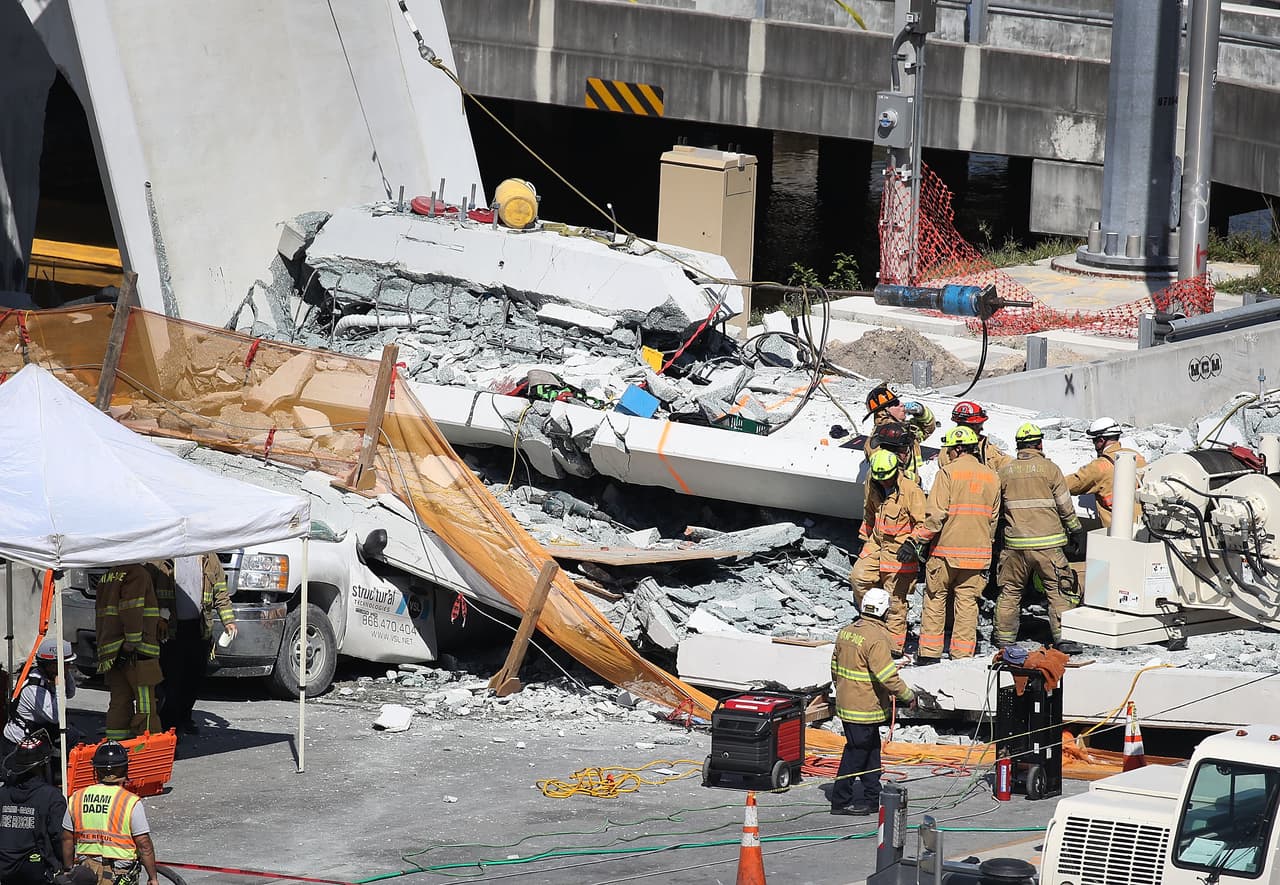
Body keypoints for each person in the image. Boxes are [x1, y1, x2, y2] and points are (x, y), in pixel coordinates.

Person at [908, 426, 1001, 664]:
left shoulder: (947, 474)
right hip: (978, 556)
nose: (947, 454)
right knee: (968, 605)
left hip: (945, 554)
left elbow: (935, 516)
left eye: (949, 449)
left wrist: (917, 540)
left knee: (935, 600)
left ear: (957, 448)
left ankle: (929, 654)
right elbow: (992, 521)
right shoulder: (992, 476)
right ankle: (961, 657)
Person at [994, 423, 1086, 655]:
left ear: (1018, 447)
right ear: (1040, 444)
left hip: (1015, 546)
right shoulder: (1050, 469)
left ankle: (1004, 640)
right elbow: (1065, 505)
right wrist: (1075, 531)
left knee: (1010, 592)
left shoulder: (1005, 471)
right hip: (1048, 546)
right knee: (1058, 590)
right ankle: (1064, 639)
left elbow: (996, 510)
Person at [829, 588, 916, 816]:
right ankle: (841, 800)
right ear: (883, 611)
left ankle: (871, 795)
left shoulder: (846, 632)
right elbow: (887, 675)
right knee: (856, 753)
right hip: (864, 708)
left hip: (847, 704)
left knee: (871, 751)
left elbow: (835, 668)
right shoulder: (876, 638)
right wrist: (908, 696)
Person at [851, 451, 927, 657]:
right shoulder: (874, 485)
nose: (883, 483)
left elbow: (923, 522)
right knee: (859, 578)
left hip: (899, 551)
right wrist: (862, 540)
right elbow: (869, 514)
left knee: (895, 599)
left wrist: (912, 543)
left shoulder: (910, 490)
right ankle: (873, 626)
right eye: (879, 479)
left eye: (887, 479)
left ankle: (893, 646)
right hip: (876, 544)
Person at [158, 555, 237, 735]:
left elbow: (220, 592)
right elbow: (155, 592)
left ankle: (185, 717)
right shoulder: (165, 556)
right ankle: (170, 724)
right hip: (172, 629)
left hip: (199, 627)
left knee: (194, 677)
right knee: (172, 679)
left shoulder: (209, 558)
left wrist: (228, 620)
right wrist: (160, 618)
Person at [63, 741, 157, 885]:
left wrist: (68, 869)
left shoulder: (77, 797)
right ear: (124, 768)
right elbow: (144, 845)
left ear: (97, 770)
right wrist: (153, 878)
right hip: (118, 874)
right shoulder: (130, 802)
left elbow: (67, 839)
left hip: (87, 872)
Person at [95, 564, 162, 740]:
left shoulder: (108, 575)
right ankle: (147, 745)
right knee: (146, 702)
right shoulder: (137, 573)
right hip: (137, 650)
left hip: (111, 650)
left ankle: (116, 746)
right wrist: (131, 643)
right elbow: (132, 609)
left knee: (119, 700)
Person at [0, 737, 67, 884]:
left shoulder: (3, 793)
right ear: (42, 766)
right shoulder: (52, 797)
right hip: (38, 872)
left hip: (4, 872)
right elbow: (59, 837)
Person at [3, 639, 80, 760]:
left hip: (39, 730)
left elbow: (70, 693)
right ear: (50, 665)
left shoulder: (52, 675)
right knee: (36, 778)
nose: (68, 666)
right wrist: (59, 687)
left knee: (72, 735)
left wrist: (64, 674)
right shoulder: (33, 688)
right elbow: (56, 717)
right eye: (65, 664)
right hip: (21, 742)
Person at [1067, 417, 1147, 530]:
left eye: (1094, 441)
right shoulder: (1137, 456)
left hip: (1116, 531)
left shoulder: (1098, 466)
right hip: (1143, 527)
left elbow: (1071, 485)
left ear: (1101, 441)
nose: (1094, 444)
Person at [947, 401, 1011, 470]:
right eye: (979, 425)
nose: (982, 429)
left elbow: (1008, 464)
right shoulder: (947, 453)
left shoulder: (987, 448)